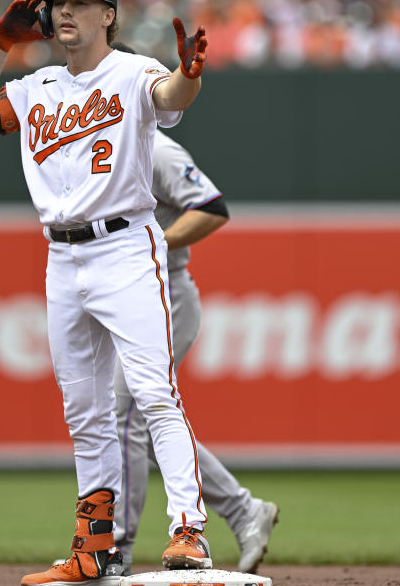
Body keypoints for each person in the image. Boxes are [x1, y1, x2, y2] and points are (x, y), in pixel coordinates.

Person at [0, 0, 209, 586]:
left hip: (125, 247)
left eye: (80, 2)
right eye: (59, 2)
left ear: (108, 15)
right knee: (85, 415)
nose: (66, 11)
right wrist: (0, 42)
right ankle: (94, 550)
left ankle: (188, 532)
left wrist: (190, 72)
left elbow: (169, 98)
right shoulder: (36, 85)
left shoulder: (132, 71)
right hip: (63, 258)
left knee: (153, 393)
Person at [104, 46, 280, 574]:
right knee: (144, 422)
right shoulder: (104, 147)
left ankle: (116, 547)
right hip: (123, 299)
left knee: (128, 414)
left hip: (166, 296)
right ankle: (245, 510)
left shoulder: (157, 149)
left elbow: (212, 209)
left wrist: (155, 245)